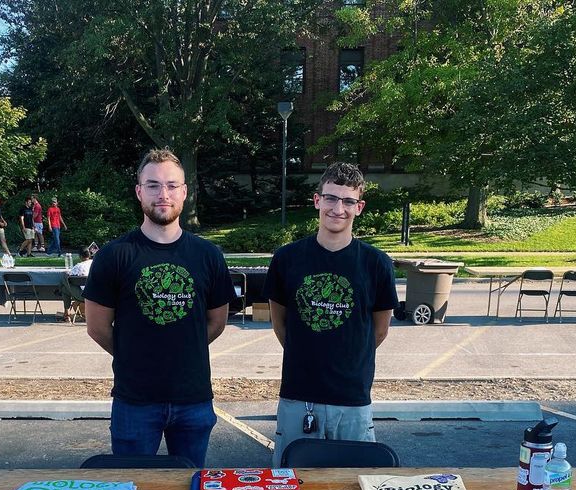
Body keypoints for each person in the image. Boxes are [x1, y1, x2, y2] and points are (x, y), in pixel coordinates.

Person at [83, 148, 234, 466]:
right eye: (152, 185)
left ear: (184, 192)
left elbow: (216, 322)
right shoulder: (114, 256)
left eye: (171, 185)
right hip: (135, 400)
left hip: (193, 399)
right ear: (139, 192)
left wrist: (182, 348)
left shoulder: (208, 255)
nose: (162, 194)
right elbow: (97, 327)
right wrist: (134, 353)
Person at [263, 161, 398, 465]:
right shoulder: (287, 258)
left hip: (352, 399)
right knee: (291, 483)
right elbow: (279, 322)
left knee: (354, 488)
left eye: (348, 201)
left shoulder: (376, 264)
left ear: (359, 207)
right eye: (331, 198)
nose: (339, 208)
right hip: (299, 397)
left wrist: (345, 357)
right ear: (317, 201)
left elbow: (378, 330)